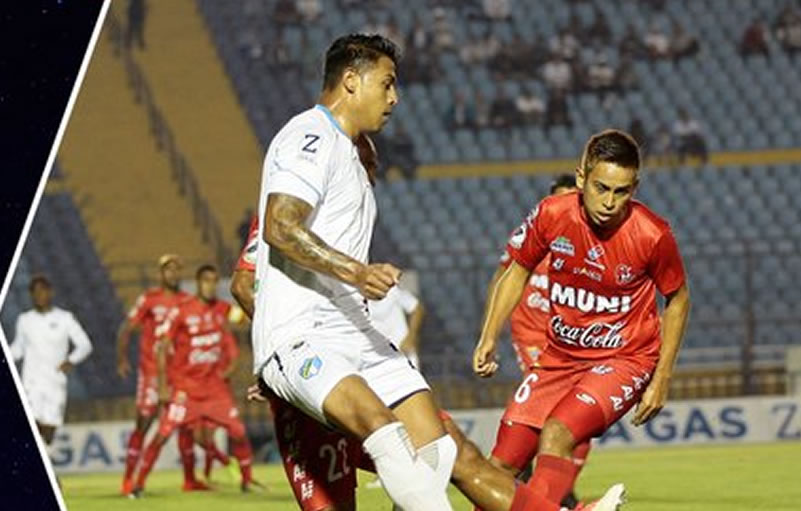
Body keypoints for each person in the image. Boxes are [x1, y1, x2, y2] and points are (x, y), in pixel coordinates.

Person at [243, 33, 624, 509]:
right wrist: (357, 273)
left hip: (354, 331)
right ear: (351, 81)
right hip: (303, 335)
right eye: (387, 84)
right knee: (384, 432)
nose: (394, 98)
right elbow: (280, 226)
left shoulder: (354, 153)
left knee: (445, 451)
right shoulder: (310, 136)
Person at [474, 129, 691, 511]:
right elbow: (517, 270)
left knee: (557, 434)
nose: (609, 202)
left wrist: (661, 378)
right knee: (501, 463)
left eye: (621, 192)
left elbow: (678, 299)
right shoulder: (551, 214)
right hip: (559, 358)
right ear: (581, 178)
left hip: (624, 360)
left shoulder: (652, 234)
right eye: (601, 188)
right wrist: (489, 335)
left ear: (635, 188)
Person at [483, 175, 590, 509]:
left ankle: (545, 482)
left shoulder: (589, 242)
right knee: (556, 409)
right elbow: (504, 277)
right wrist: (490, 330)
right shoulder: (534, 233)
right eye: (561, 198)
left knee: (575, 416)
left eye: (573, 197)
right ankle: (547, 489)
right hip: (531, 333)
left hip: (567, 339)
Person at [131, 265, 257, 496]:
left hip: (215, 391)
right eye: (206, 281)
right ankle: (137, 485)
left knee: (239, 432)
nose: (210, 286)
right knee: (162, 435)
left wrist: (255, 306)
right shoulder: (181, 310)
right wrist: (162, 386)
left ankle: (247, 481)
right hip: (186, 391)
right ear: (198, 283)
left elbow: (246, 316)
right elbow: (162, 348)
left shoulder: (221, 309)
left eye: (214, 281)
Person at [117, 255, 199, 494]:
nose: (173, 274)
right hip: (152, 373)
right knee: (143, 423)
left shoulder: (187, 301)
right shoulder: (149, 299)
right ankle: (128, 479)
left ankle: (190, 480)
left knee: (185, 426)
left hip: (180, 375)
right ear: (160, 274)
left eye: (177, 269)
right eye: (168, 269)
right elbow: (126, 328)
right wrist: (122, 359)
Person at [10, 275, 93, 447]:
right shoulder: (25, 320)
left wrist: (71, 360)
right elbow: (18, 348)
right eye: (34, 292)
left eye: (42, 291)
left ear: (50, 292)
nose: (38, 295)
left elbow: (85, 345)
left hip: (55, 381)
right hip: (31, 381)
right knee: (32, 422)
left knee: (49, 432)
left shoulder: (65, 318)